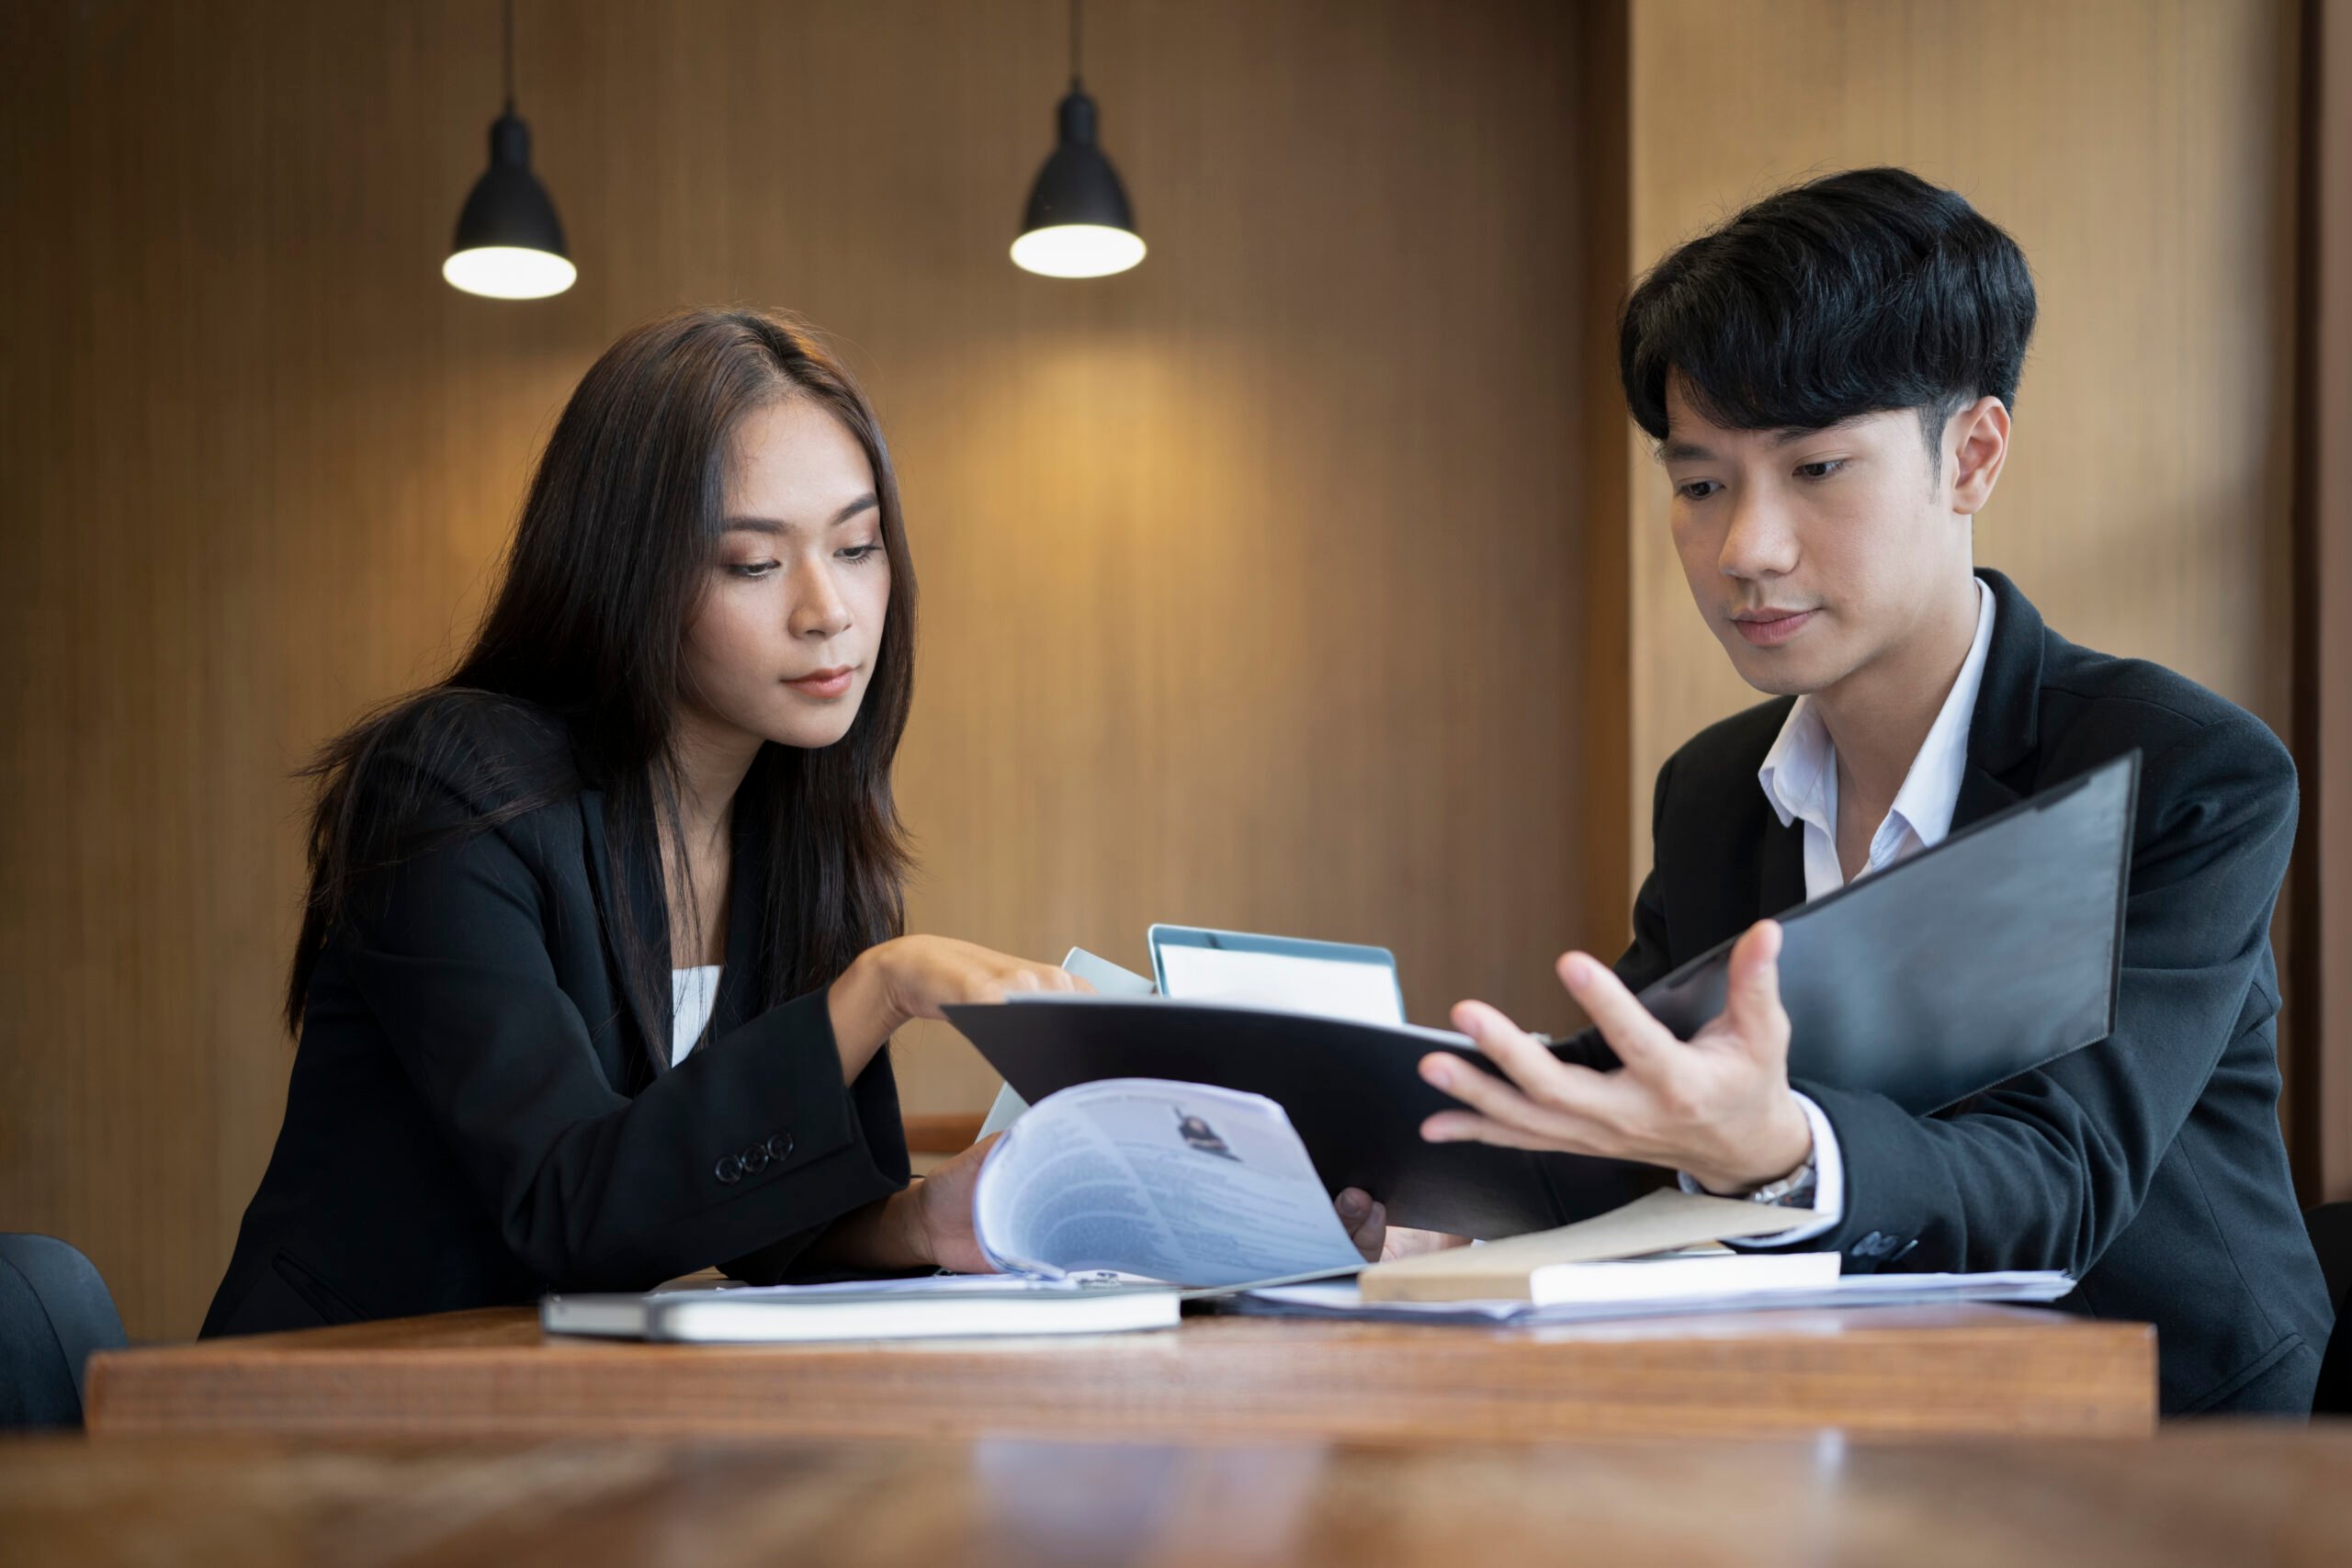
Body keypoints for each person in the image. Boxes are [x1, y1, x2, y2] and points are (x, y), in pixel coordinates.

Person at [203, 307, 1396, 1336]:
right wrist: (876, 990)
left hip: (556, 1422)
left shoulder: (799, 825)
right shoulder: (457, 780)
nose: (831, 612)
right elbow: (571, 1211)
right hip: (337, 1404)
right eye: (752, 565)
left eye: (859, 545)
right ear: (628, 578)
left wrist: (946, 1217)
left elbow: (776, 1232)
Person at [1413, 169, 2334, 1415]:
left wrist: (1783, 1149)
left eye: (1820, 469)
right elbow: (1632, 1111)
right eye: (1700, 484)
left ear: (1973, 454)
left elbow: (2066, 1174)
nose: (1747, 548)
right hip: (1839, 1414)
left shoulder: (2177, 771)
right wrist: (1372, 1157)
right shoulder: (1715, 792)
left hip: (2175, 1433)